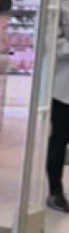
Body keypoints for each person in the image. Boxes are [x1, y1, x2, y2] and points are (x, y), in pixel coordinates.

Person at [48, 12, 69, 212]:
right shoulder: (59, 1)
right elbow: (51, 39)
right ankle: (55, 192)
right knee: (60, 138)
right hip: (64, 85)